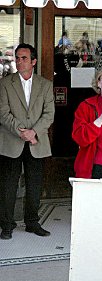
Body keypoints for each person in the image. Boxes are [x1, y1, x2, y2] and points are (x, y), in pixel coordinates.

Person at [0, 43, 55, 240]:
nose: (19, 61)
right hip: (11, 141)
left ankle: (32, 223)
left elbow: (49, 115)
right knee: (8, 186)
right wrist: (21, 131)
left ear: (33, 61)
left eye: (24, 58)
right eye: (17, 58)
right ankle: (6, 225)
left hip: (36, 143)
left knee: (34, 185)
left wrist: (34, 132)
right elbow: (3, 112)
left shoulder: (45, 84)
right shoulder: (5, 83)